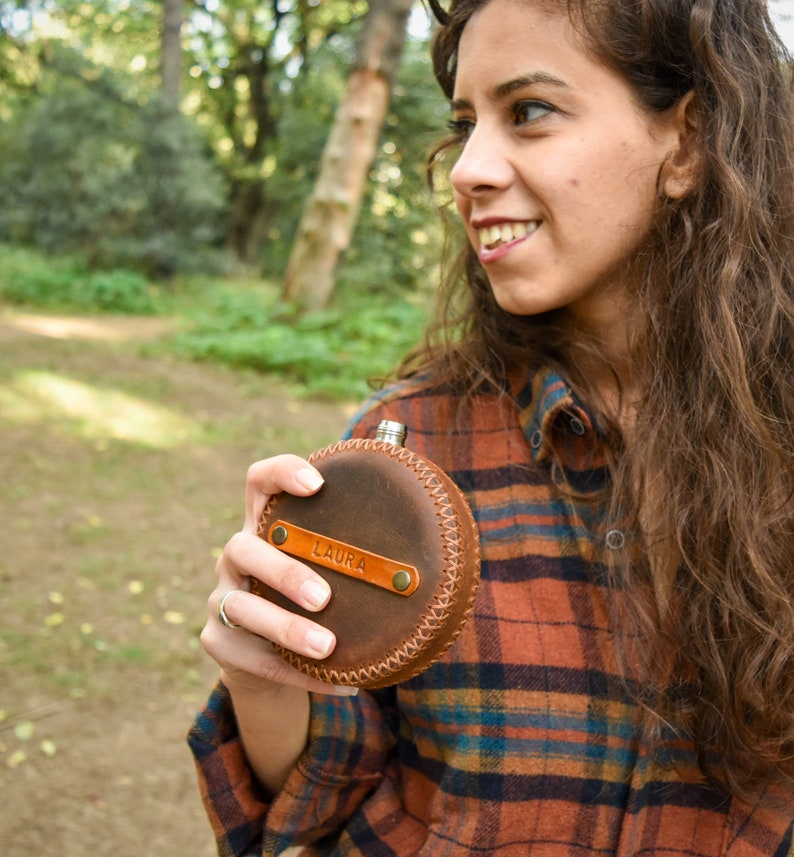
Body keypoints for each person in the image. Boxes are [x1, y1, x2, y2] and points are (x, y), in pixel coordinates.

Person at [188, 0, 794, 853]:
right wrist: (266, 682)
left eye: (530, 112)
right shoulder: (401, 449)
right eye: (465, 124)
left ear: (688, 143)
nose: (468, 168)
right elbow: (314, 804)